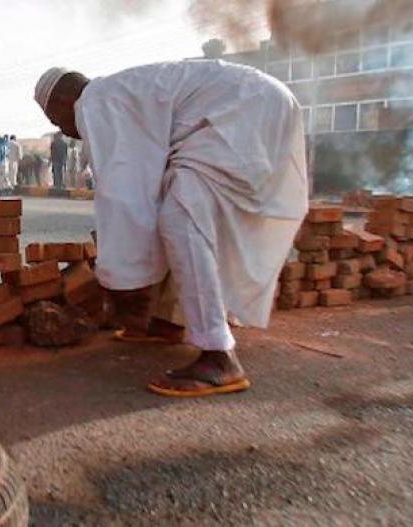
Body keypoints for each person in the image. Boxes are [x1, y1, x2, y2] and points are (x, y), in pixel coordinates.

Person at [34, 60, 307, 397]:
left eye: (55, 121)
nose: (63, 131)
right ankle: (169, 320)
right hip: (261, 101)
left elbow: (123, 192)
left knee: (182, 216)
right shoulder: (123, 92)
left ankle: (219, 357)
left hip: (243, 110)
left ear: (63, 102)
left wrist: (122, 282)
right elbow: (146, 189)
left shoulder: (94, 101)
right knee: (173, 201)